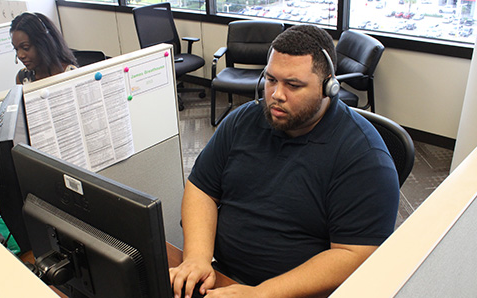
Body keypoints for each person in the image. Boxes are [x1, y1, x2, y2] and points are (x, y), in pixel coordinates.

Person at [170, 25, 400, 298]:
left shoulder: (364, 157)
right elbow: (201, 189)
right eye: (270, 80)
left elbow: (354, 254)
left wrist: (260, 294)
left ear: (329, 86)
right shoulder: (243, 121)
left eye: (293, 85)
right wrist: (197, 258)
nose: (276, 94)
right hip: (221, 279)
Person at [10, 12, 77, 84]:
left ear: (43, 43)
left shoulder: (70, 74)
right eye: (16, 49)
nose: (20, 55)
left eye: (26, 48)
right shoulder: (22, 78)